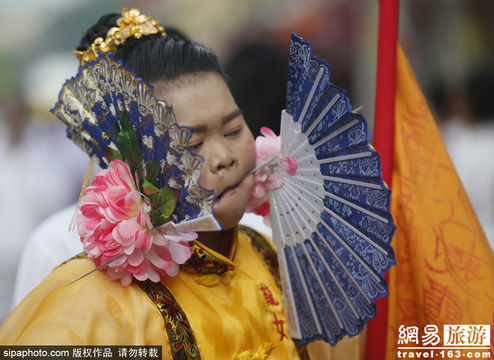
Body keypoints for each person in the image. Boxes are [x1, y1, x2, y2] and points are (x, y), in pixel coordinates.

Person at [1, 8, 368, 359]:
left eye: (234, 129)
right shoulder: (88, 302)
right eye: (192, 143)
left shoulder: (277, 261)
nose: (224, 156)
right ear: (135, 164)